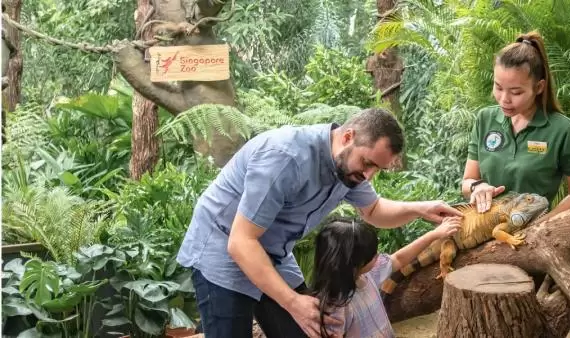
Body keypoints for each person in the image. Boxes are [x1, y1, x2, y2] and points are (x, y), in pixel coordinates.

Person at [175, 107, 464, 338]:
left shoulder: (349, 168)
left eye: (377, 168)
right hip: (223, 249)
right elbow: (241, 242)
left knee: (307, 327)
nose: (369, 175)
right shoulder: (285, 157)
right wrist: (291, 301)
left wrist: (421, 209)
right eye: (367, 163)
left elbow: (373, 210)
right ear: (348, 137)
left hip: (272, 251)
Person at [461, 30, 570, 217]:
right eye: (498, 87)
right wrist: (477, 186)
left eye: (516, 92)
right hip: (483, 229)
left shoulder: (562, 130)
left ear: (539, 87)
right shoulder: (485, 119)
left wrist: (543, 226)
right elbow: (468, 181)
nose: (504, 99)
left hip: (532, 235)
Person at [308, 217, 462, 338]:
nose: (378, 256)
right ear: (353, 264)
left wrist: (434, 234)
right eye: (372, 255)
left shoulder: (367, 274)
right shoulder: (334, 308)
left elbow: (399, 259)